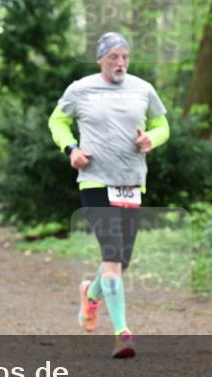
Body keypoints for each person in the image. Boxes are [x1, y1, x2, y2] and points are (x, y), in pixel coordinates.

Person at [48, 32, 170, 358]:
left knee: (120, 260)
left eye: (125, 57)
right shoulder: (80, 89)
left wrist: (152, 140)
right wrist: (70, 148)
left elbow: (162, 125)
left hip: (131, 183)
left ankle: (90, 293)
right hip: (95, 181)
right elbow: (57, 121)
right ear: (100, 59)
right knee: (113, 256)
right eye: (113, 57)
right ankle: (122, 333)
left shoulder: (142, 89)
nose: (120, 63)